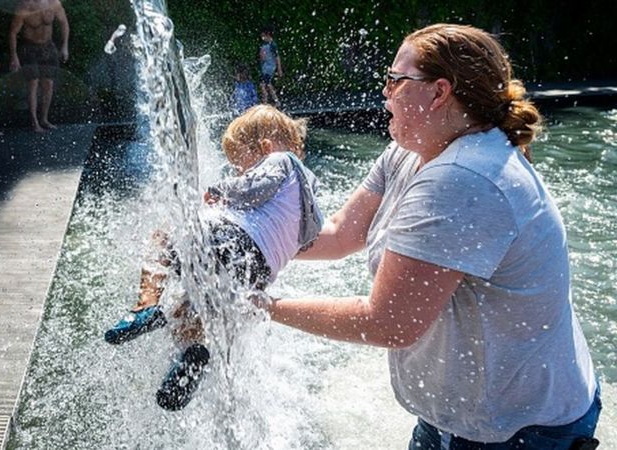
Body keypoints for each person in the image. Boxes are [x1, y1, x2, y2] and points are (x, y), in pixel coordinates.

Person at [257, 24, 602, 449]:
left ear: (439, 92)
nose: (385, 92)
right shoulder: (409, 150)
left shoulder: (465, 179)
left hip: (522, 434)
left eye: (395, 80)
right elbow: (336, 234)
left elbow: (387, 321)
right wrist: (244, 241)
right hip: (458, 420)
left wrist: (260, 305)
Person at [104, 105, 324, 411]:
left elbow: (256, 187)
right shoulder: (310, 200)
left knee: (165, 234)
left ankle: (146, 306)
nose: (238, 172)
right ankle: (194, 353)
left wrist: (220, 190)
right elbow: (307, 239)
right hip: (253, 275)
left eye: (240, 165)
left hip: (230, 244)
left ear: (265, 147)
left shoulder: (279, 160)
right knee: (190, 309)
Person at [8, 0, 70, 133]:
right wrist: (14, 56)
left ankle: (44, 119)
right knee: (33, 83)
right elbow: (13, 32)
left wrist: (65, 47)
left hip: (48, 47)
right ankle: (34, 122)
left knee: (48, 84)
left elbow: (64, 23)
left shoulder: (54, 4)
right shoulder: (25, 6)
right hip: (29, 48)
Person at [258, 25, 282, 106]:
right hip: (265, 68)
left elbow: (277, 57)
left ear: (267, 34)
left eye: (263, 35)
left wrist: (279, 69)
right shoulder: (264, 44)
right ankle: (275, 101)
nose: (262, 37)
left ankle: (265, 101)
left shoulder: (272, 44)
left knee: (263, 84)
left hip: (269, 68)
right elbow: (262, 57)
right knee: (268, 84)